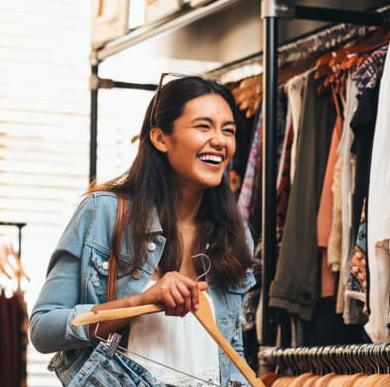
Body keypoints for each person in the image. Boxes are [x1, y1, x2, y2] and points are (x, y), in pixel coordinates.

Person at [29, 75, 256, 387]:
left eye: (227, 130)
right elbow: (44, 329)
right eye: (204, 127)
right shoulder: (104, 213)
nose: (219, 140)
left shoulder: (235, 235)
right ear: (161, 138)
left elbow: (232, 349)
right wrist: (141, 301)